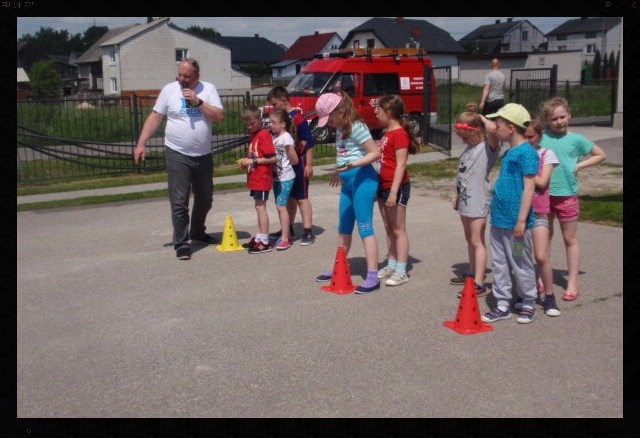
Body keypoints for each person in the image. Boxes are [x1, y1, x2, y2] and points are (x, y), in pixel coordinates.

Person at [134, 57, 224, 261]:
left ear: (197, 76)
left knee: (205, 197)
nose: (182, 79)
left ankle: (198, 232)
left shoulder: (208, 89)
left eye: (187, 76)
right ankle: (182, 242)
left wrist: (198, 101)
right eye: (180, 75)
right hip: (177, 153)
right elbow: (155, 117)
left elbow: (219, 116)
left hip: (203, 154)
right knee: (179, 201)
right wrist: (141, 143)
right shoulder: (169, 90)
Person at [312, 92, 381, 293]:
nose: (330, 123)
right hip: (348, 181)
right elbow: (345, 154)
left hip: (363, 179)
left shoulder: (357, 127)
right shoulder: (341, 129)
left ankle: (372, 276)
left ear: (340, 111)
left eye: (331, 118)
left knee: (365, 228)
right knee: (343, 227)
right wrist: (339, 171)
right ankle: (338, 266)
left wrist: (352, 166)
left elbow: (374, 152)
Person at [539, 97, 607, 301]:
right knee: (545, 237)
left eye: (563, 116)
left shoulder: (577, 139)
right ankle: (543, 276)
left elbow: (600, 155)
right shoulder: (541, 138)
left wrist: (578, 166)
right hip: (545, 195)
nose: (559, 121)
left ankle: (572, 281)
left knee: (570, 238)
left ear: (570, 115)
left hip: (567, 195)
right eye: (554, 118)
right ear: (547, 120)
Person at [480, 103, 540, 324]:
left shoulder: (527, 153)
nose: (496, 127)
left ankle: (528, 302)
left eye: (499, 123)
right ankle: (503, 303)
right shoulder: (509, 152)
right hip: (499, 221)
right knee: (499, 262)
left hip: (517, 225)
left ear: (512, 127)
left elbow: (530, 188)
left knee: (520, 261)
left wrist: (522, 220)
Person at [451, 103, 500, 298]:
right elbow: (463, 175)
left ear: (478, 132)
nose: (463, 141)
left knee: (477, 240)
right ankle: (471, 273)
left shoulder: (488, 148)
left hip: (478, 201)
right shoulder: (469, 149)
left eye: (466, 137)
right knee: (469, 239)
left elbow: (494, 130)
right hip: (465, 201)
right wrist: (457, 197)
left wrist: (482, 118)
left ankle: (479, 282)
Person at [516, 116, 561, 316]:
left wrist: (525, 172)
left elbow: (542, 182)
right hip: (518, 215)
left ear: (540, 135)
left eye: (531, 137)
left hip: (539, 213)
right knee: (518, 255)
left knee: (541, 256)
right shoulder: (516, 153)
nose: (527, 141)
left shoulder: (547, 154)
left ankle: (549, 296)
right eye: (524, 137)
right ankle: (523, 293)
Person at [374, 94, 420, 287]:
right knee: (388, 227)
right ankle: (392, 263)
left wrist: (394, 192)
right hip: (382, 186)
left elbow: (401, 165)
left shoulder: (400, 133)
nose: (376, 112)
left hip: (396, 186)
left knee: (399, 229)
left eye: (379, 109)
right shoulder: (386, 133)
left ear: (390, 112)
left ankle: (402, 270)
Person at [266, 86, 316, 246]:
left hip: (299, 163)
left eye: (274, 105)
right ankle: (288, 228)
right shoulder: (280, 121)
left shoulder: (298, 118)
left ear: (283, 100)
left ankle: (308, 231)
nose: (273, 108)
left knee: (302, 197)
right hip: (286, 167)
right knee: (289, 198)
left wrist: (309, 164)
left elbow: (308, 142)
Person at [239, 105, 277, 254]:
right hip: (255, 176)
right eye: (247, 124)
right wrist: (247, 162)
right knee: (258, 207)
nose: (250, 126)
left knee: (261, 208)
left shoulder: (263, 135)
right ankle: (260, 236)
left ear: (260, 120)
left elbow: (272, 158)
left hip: (262, 177)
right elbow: (255, 155)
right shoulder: (253, 134)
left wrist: (253, 162)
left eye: (252, 123)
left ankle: (265, 241)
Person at [269, 109, 299, 251]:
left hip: (285, 176)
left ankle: (286, 238)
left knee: (281, 206)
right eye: (270, 122)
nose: (271, 125)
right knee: (280, 206)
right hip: (276, 177)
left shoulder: (286, 138)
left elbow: (294, 158)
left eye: (274, 122)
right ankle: (286, 233)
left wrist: (286, 165)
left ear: (283, 124)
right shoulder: (274, 137)